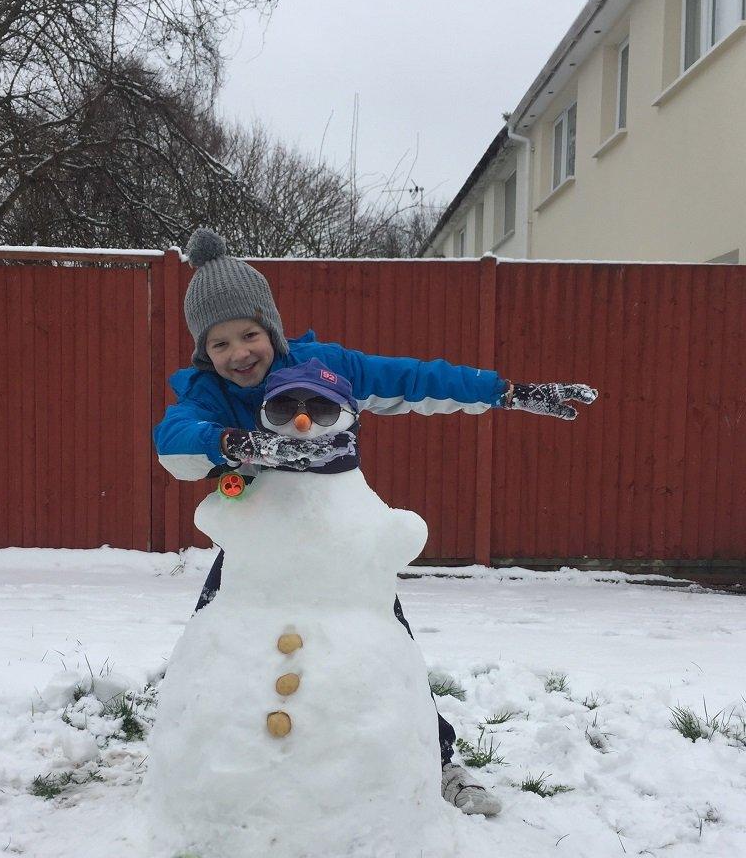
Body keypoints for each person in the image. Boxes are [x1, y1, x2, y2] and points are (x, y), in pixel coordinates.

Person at [154, 228, 597, 821]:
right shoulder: (207, 396)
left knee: (387, 646)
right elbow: (174, 442)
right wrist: (233, 442)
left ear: (273, 330)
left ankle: (434, 760)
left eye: (249, 334)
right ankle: (197, 761)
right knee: (216, 641)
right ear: (203, 352)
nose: (238, 353)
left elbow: (416, 379)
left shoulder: (327, 369)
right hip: (259, 551)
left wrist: (504, 391)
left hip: (341, 550)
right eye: (219, 343)